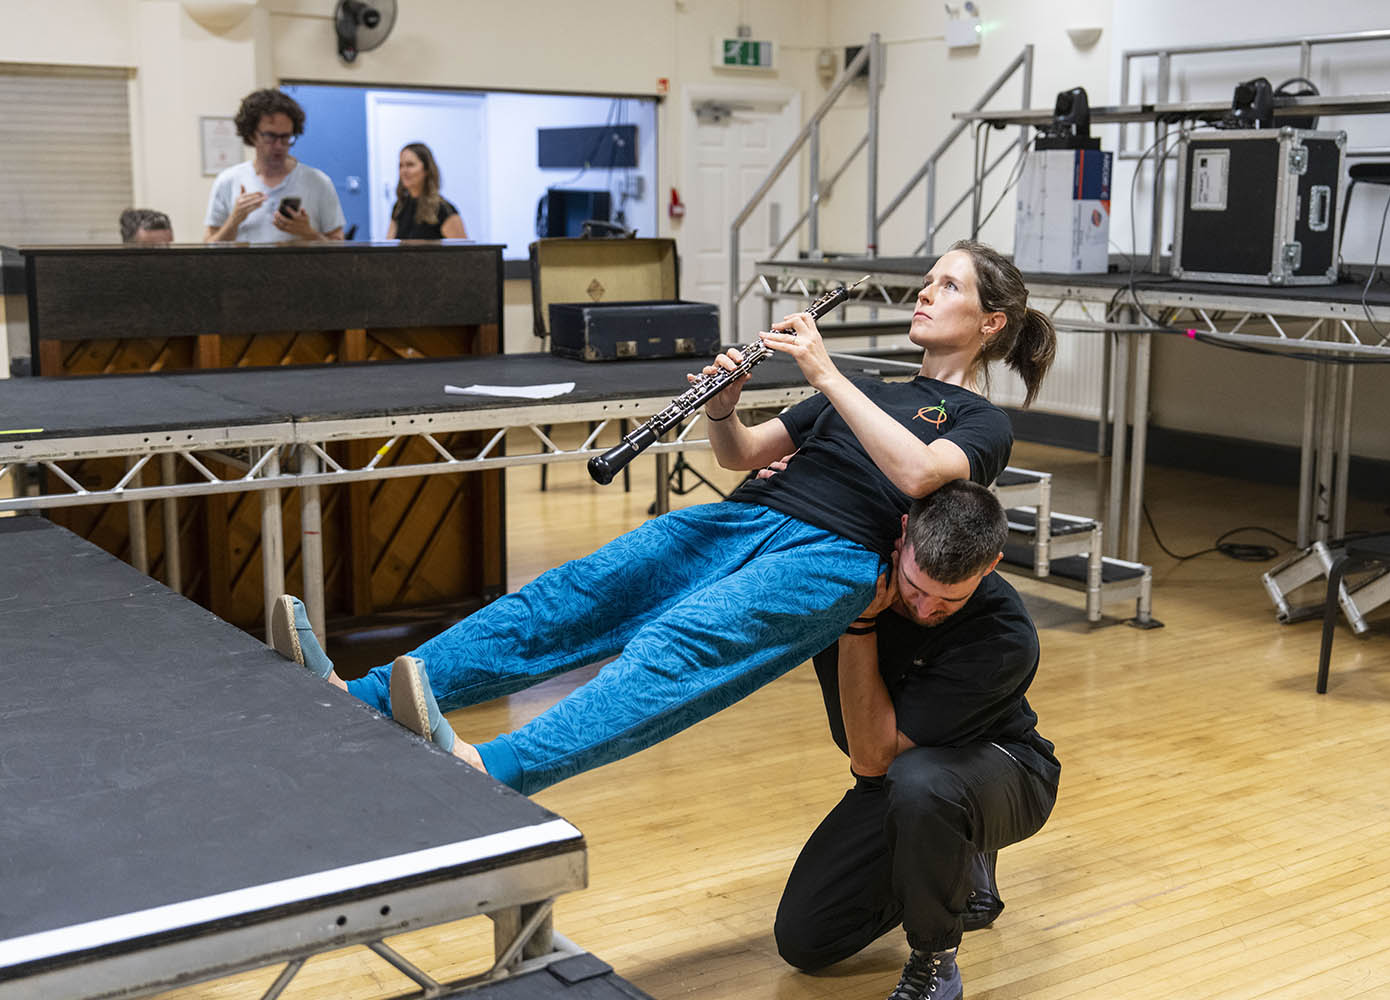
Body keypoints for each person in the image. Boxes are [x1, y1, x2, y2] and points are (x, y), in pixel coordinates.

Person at [270, 240, 1057, 797]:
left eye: (947, 287)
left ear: (992, 324)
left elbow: (919, 472)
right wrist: (723, 409)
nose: (925, 293)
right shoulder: (870, 387)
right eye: (928, 281)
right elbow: (743, 454)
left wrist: (823, 368)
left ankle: (499, 768)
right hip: (745, 518)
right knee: (568, 597)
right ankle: (366, 693)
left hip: (835, 557)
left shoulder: (980, 420)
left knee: (674, 653)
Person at [773, 480, 1058, 1000]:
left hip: (1005, 770)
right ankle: (955, 863)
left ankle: (936, 962)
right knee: (805, 940)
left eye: (949, 599)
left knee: (920, 782)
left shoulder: (1005, 636)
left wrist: (859, 625)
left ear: (990, 566)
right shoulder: (855, 561)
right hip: (907, 782)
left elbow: (873, 758)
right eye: (916, 588)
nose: (926, 610)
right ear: (902, 536)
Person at [203, 88, 345, 244]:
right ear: (251, 134)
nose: (279, 146)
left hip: (303, 268)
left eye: (285, 137)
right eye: (270, 136)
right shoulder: (228, 181)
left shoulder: (319, 182)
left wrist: (308, 233)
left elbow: (339, 245)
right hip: (244, 268)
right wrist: (234, 221)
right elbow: (209, 247)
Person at [385, 142, 468, 239]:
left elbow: (463, 252)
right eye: (401, 165)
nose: (404, 171)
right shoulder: (399, 207)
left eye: (410, 165)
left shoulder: (443, 210)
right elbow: (389, 245)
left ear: (426, 169)